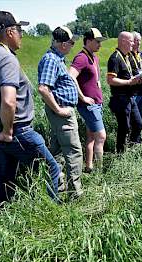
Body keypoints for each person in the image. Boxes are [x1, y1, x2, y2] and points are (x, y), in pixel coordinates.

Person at [0, 11, 60, 208]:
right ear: (9, 32)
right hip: (16, 131)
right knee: (50, 168)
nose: (22, 34)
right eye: (19, 30)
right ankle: (51, 214)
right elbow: (8, 101)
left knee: (5, 176)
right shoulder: (6, 58)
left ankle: (2, 215)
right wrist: (7, 132)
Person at [38, 26, 84, 199]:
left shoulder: (57, 58)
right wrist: (58, 109)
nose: (73, 46)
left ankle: (57, 186)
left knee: (57, 151)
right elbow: (43, 88)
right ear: (64, 44)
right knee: (74, 151)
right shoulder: (51, 59)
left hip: (62, 112)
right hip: (61, 113)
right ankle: (75, 192)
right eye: (72, 43)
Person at [70, 28, 107, 173]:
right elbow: (71, 76)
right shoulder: (81, 57)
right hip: (89, 106)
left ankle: (89, 166)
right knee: (101, 136)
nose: (100, 45)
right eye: (97, 42)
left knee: (91, 136)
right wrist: (82, 97)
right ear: (88, 41)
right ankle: (100, 171)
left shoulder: (93, 57)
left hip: (96, 104)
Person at [107, 31, 142, 153]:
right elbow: (111, 80)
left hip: (130, 97)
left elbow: (130, 74)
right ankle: (121, 154)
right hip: (120, 98)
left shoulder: (127, 56)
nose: (133, 44)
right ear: (123, 41)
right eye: (131, 41)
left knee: (138, 123)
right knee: (124, 128)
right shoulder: (115, 58)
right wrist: (129, 82)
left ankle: (134, 148)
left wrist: (138, 79)